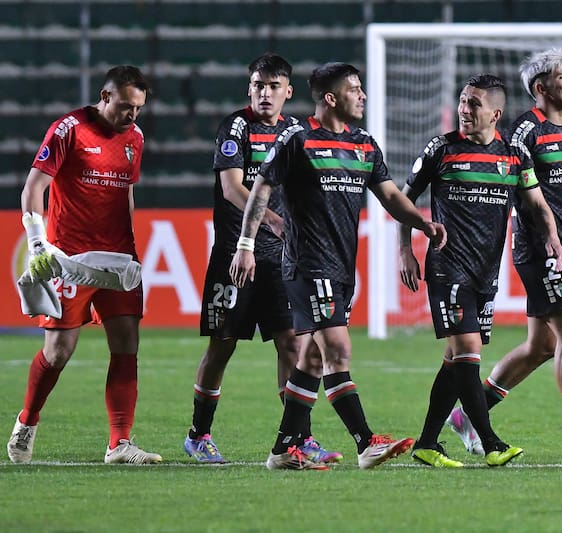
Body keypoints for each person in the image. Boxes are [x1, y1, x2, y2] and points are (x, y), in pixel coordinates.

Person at [229, 62, 447, 470]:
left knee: (312, 359)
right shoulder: (298, 138)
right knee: (338, 348)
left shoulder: (364, 144)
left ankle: (282, 450)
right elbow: (260, 189)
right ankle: (367, 442)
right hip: (308, 263)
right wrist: (245, 244)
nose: (362, 96)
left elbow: (389, 196)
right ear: (331, 98)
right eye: (355, 90)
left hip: (342, 266)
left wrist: (422, 223)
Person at [445, 49, 562, 456]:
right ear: (541, 88)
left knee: (543, 345)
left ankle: (468, 415)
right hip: (539, 249)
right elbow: (523, 194)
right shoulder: (526, 132)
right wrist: (545, 241)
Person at [399, 73, 562, 468]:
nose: (464, 109)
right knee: (469, 351)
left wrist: (554, 239)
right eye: (462, 101)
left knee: (454, 360)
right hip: (447, 267)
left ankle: (426, 442)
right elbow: (403, 200)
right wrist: (405, 250)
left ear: (495, 113)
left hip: (484, 273)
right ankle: (490, 442)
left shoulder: (513, 156)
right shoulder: (441, 149)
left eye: (474, 103)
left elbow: (539, 206)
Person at [184, 53, 339, 464]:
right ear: (248, 88)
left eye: (273, 86)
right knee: (223, 345)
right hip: (237, 256)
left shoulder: (294, 131)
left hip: (283, 261)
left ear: (288, 92)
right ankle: (199, 434)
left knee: (291, 344)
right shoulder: (236, 127)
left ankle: (297, 438)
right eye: (258, 85)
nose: (264, 93)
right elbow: (235, 189)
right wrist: (269, 221)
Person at [7, 66, 162, 464]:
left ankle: (120, 443)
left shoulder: (135, 138)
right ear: (105, 96)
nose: (133, 115)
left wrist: (131, 250)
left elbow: (125, 194)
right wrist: (38, 243)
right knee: (59, 350)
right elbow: (33, 188)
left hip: (117, 258)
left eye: (139, 108)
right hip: (70, 258)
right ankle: (27, 420)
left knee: (127, 344)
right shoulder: (69, 130)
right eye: (126, 106)